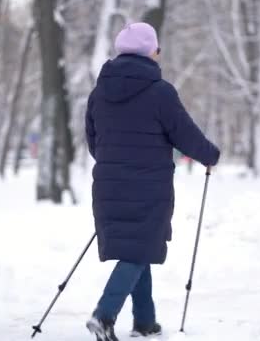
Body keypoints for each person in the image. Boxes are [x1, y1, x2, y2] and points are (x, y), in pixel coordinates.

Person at [85, 22, 220, 341]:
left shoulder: (98, 93)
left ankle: (145, 322)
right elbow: (185, 134)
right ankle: (104, 315)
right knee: (139, 247)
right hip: (148, 186)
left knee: (138, 248)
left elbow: (94, 141)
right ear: (150, 52)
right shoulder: (160, 92)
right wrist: (210, 155)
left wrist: (115, 164)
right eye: (157, 49)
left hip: (108, 184)